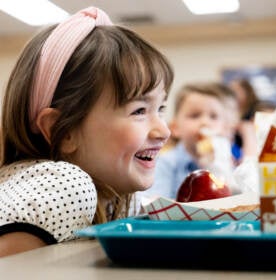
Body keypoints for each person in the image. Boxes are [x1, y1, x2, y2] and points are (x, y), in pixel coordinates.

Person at [0, 6, 173, 257]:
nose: (163, 131)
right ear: (64, 130)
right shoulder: (64, 187)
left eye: (161, 108)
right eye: (139, 111)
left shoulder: (120, 198)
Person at [143, 82, 239, 199]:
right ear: (175, 127)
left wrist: (215, 166)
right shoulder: (165, 163)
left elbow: (234, 198)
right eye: (195, 115)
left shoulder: (226, 162)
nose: (205, 122)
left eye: (213, 117)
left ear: (224, 128)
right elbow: (156, 204)